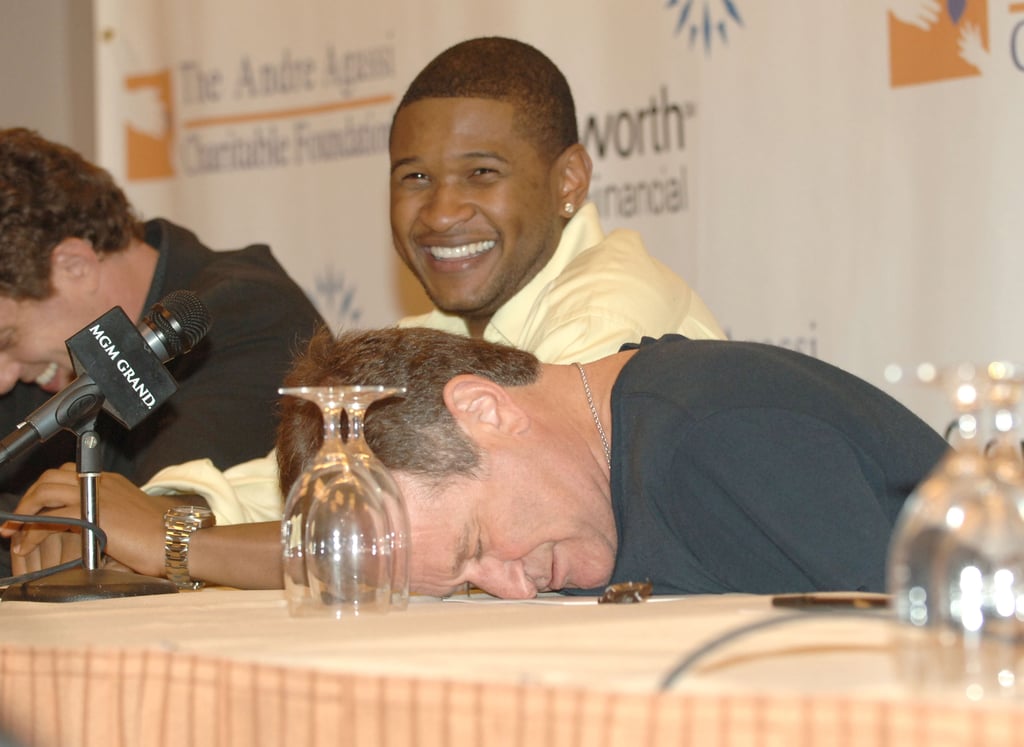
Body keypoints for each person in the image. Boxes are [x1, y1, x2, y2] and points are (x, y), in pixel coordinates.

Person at [105, 34, 725, 524]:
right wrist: (154, 513)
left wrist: (169, 540)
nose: (440, 212)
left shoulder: (609, 311)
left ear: (569, 180)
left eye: (481, 173)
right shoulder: (434, 332)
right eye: (415, 178)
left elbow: (466, 517)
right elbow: (298, 482)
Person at [3, 326, 949, 597]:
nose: (509, 589)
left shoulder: (720, 442)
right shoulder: (611, 451)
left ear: (486, 409)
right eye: (465, 583)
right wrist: (177, 540)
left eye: (477, 545)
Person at [0, 128, 324, 573]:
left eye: (6, 340)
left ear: (74, 266)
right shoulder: (45, 359)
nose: (4, 378)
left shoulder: (248, 315)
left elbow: (145, 532)